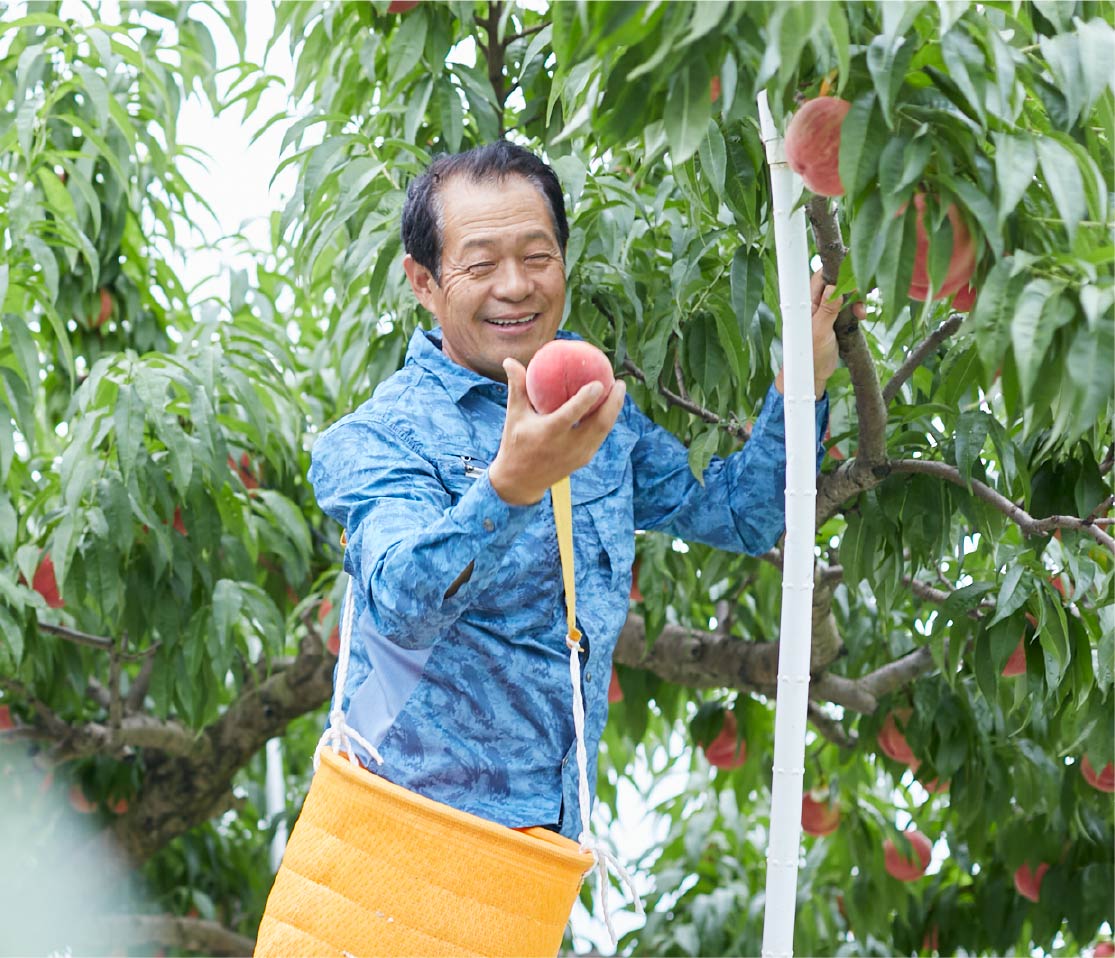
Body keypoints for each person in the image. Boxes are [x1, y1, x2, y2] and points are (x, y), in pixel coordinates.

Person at [308, 139, 848, 840]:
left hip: (542, 852)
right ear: (423, 280)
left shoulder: (593, 414)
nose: (515, 286)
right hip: (399, 844)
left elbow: (741, 515)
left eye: (537, 257)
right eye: (479, 264)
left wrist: (798, 385)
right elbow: (402, 603)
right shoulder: (379, 436)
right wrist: (509, 488)